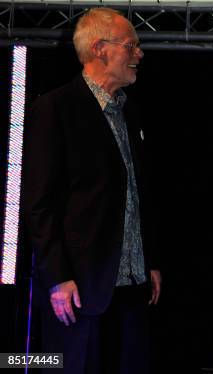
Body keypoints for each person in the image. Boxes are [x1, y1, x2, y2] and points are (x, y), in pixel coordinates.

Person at [22, 8, 160, 374]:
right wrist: (57, 278)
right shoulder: (55, 108)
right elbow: (39, 203)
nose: (139, 54)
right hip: (79, 287)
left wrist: (150, 261)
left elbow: (136, 194)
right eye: (131, 45)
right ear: (100, 49)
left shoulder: (129, 112)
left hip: (132, 284)